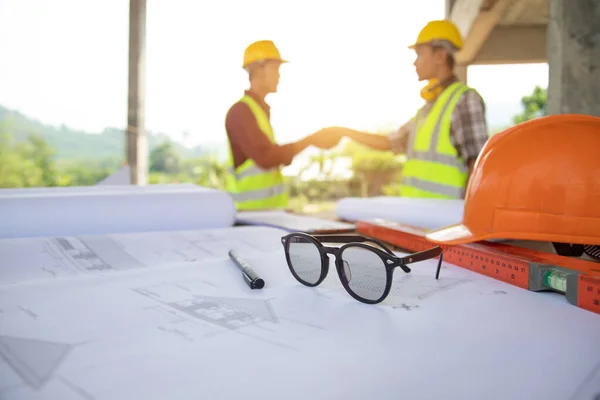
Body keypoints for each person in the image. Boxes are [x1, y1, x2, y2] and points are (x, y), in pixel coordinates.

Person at [328, 20, 490, 199]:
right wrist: (343, 132)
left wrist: (467, 220)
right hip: (418, 218)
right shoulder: (427, 110)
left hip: (446, 221)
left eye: (419, 54)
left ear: (440, 56)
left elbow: (478, 165)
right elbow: (389, 143)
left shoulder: (465, 100)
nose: (415, 63)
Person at [224, 40, 341, 210]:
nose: (278, 75)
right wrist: (310, 140)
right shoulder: (241, 112)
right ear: (257, 70)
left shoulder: (260, 110)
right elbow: (266, 157)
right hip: (250, 216)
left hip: (268, 213)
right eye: (275, 69)